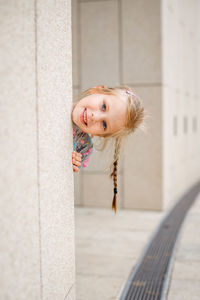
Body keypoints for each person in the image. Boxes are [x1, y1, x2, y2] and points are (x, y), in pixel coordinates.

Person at [71, 85, 146, 213]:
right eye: (104, 106)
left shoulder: (83, 147)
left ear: (100, 135)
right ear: (97, 90)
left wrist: (70, 163)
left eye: (104, 124)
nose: (96, 117)